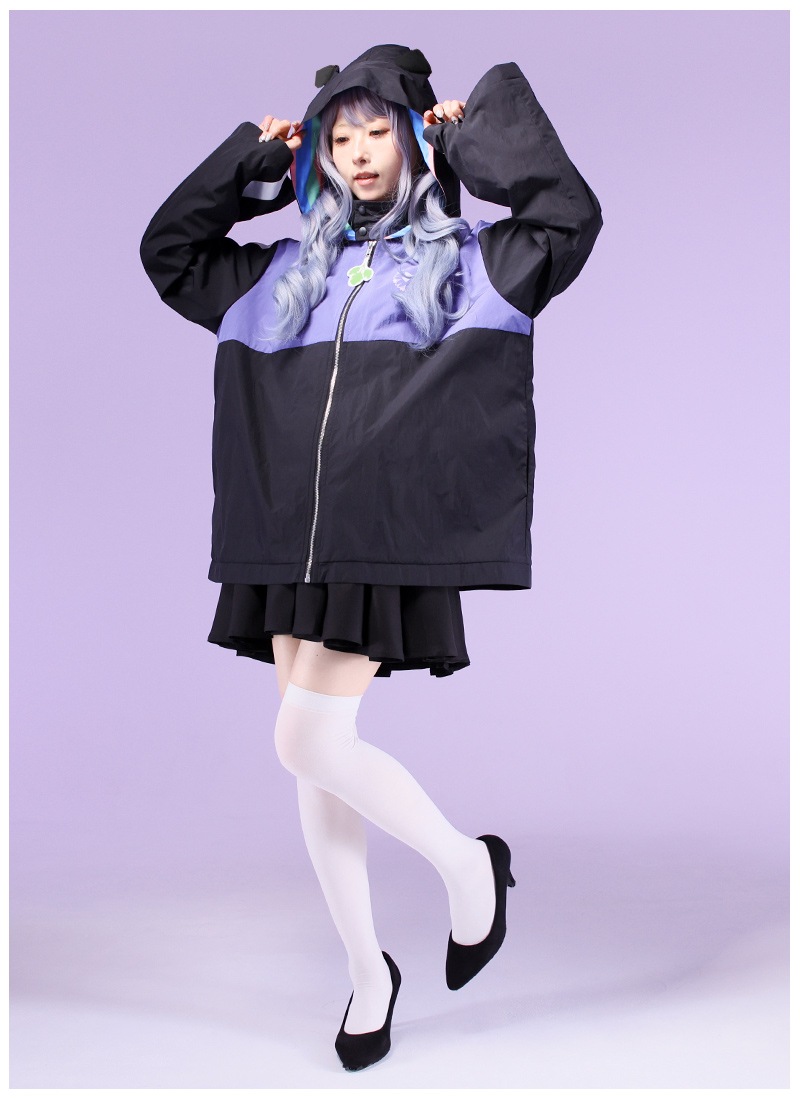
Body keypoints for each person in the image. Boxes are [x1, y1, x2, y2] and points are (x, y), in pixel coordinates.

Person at [140, 43, 602, 1072]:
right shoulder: (278, 275)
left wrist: (475, 139)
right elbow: (168, 251)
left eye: (376, 129)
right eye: (337, 136)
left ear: (410, 138)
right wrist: (248, 161)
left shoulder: (475, 264)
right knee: (317, 757)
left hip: (380, 534)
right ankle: (366, 973)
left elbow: (568, 219)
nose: (355, 151)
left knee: (304, 741)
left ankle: (467, 868)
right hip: (286, 539)